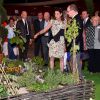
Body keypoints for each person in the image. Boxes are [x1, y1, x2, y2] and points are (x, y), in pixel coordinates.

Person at [66, 4, 83, 79]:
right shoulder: (75, 18)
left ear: (72, 11)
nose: (67, 13)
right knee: (75, 61)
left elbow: (78, 34)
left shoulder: (77, 19)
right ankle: (77, 77)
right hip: (74, 43)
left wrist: (74, 44)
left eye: (68, 11)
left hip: (75, 44)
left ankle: (78, 78)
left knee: (76, 61)